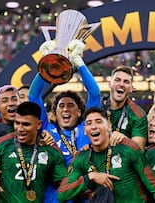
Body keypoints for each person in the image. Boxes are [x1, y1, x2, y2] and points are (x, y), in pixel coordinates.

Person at [29, 39, 101, 203]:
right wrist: (47, 62)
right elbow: (33, 96)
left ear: (80, 112)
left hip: (85, 196)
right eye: (61, 106)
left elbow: (95, 94)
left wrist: (79, 62)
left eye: (71, 106)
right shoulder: (45, 129)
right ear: (54, 112)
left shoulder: (87, 128)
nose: (66, 109)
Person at [58, 107, 155, 203]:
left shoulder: (128, 148)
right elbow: (62, 194)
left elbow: (151, 182)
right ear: (85, 130)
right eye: (89, 123)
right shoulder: (81, 158)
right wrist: (90, 177)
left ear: (109, 126)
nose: (94, 126)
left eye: (98, 121)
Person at [0, 101, 67, 203]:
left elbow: (65, 186)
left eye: (26, 124)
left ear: (38, 125)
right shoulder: (1, 145)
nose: (20, 129)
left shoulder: (51, 150)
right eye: (17, 123)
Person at [102, 65, 148, 151]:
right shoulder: (97, 107)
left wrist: (125, 140)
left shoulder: (138, 115)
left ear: (131, 88)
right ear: (109, 84)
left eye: (126, 82)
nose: (121, 84)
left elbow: (139, 152)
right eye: (117, 80)